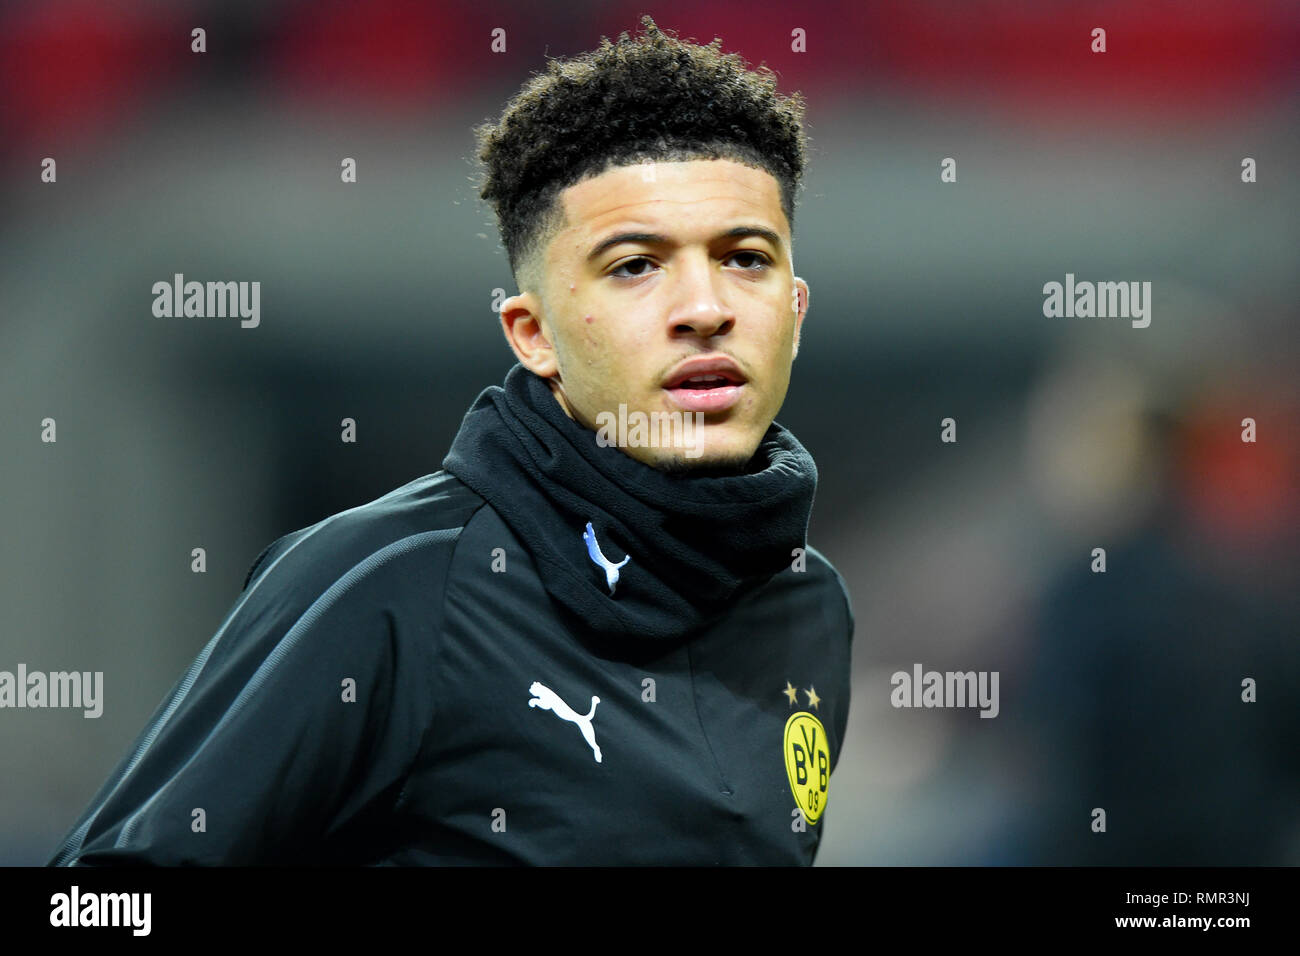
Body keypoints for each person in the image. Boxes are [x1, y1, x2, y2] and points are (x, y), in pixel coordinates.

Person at [49, 14, 854, 866]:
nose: (705, 307)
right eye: (633, 266)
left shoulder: (809, 606)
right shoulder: (391, 583)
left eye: (746, 257)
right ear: (531, 333)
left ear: (796, 312)